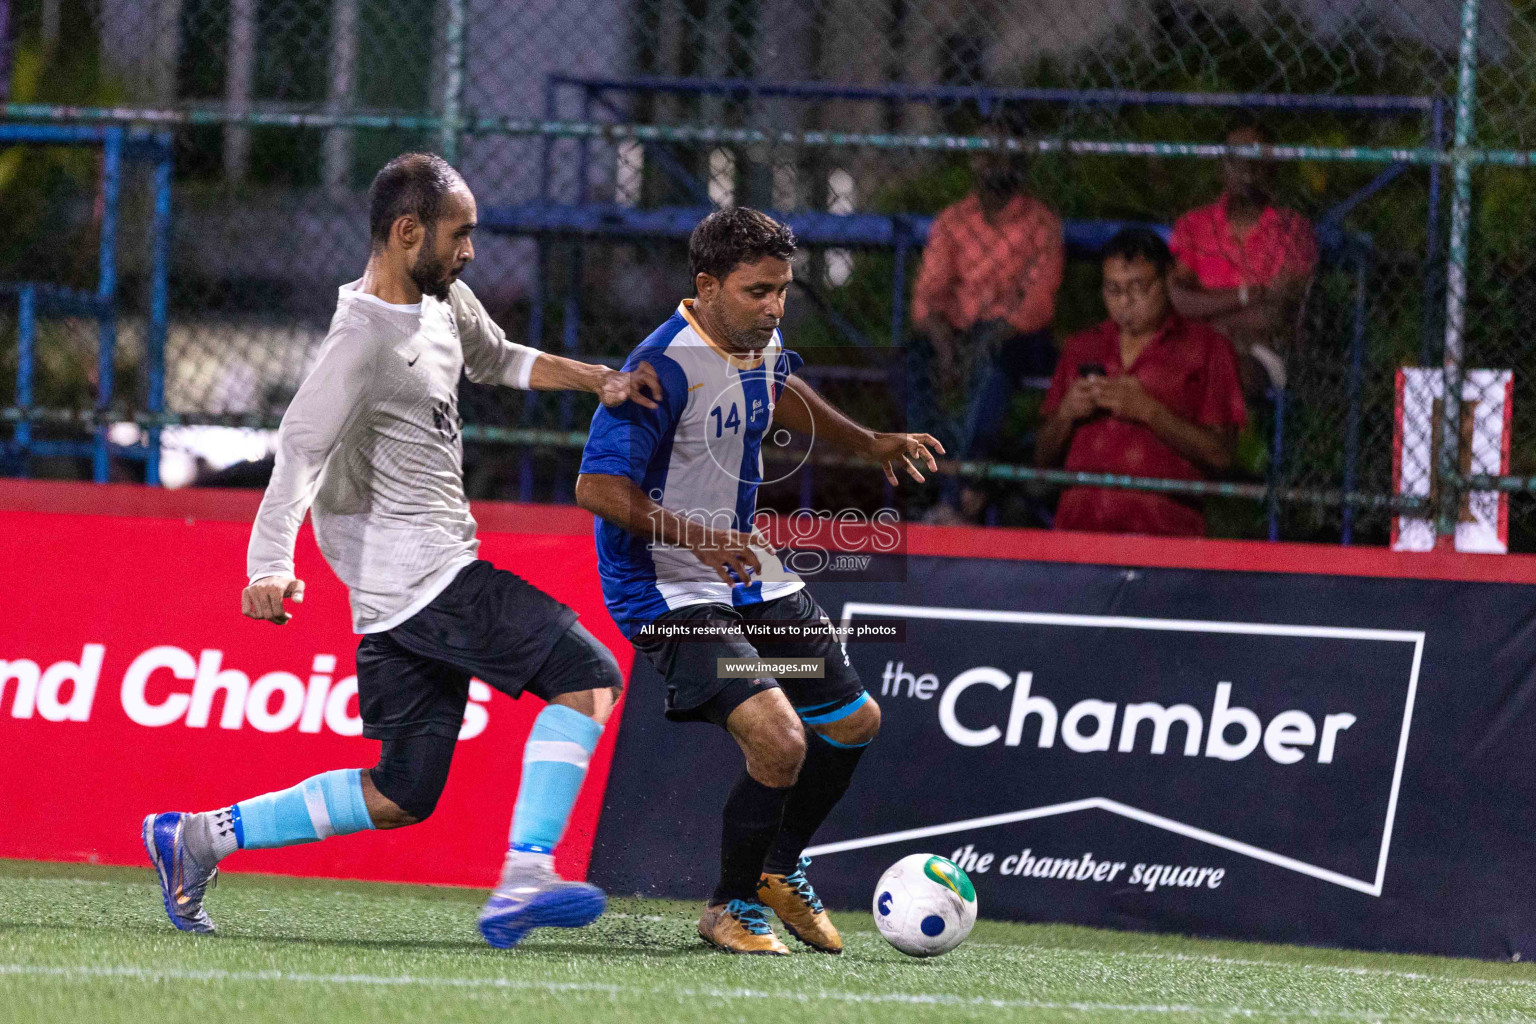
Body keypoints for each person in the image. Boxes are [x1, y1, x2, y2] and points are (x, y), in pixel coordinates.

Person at [142, 153, 663, 950]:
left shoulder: (443, 300)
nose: (472, 251)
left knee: (400, 794)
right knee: (591, 676)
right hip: (428, 579)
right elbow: (299, 451)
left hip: (402, 601)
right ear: (407, 231)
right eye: (461, 235)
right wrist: (267, 565)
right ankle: (526, 871)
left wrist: (598, 380)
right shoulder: (359, 341)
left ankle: (199, 837)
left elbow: (498, 358)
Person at [575, 207, 942, 955]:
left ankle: (777, 867)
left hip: (745, 572)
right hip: (668, 591)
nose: (774, 306)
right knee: (779, 741)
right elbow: (597, 491)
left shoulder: (757, 338)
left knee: (852, 721)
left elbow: (778, 387)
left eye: (783, 290)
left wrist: (869, 442)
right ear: (706, 285)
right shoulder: (656, 370)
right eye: (757, 291)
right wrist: (699, 540)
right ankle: (730, 906)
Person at [1036, 227, 1247, 537]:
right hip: (1080, 528)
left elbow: (1221, 455)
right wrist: (1066, 414)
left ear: (1168, 280)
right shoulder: (1083, 346)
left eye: (1138, 288)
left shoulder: (1208, 348)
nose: (1125, 302)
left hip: (1163, 533)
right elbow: (1040, 458)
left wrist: (1149, 412)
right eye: (1113, 290)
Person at [910, 132, 1064, 522]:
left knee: (993, 365)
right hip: (959, 332)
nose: (994, 165)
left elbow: (1038, 302)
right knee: (911, 364)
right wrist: (946, 345)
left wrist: (990, 338)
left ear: (1021, 164)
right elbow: (929, 295)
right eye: (985, 154)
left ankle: (959, 491)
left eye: (1004, 155)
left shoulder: (1040, 224)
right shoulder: (954, 220)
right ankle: (939, 471)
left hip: (1014, 337)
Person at [1169, 116, 1318, 396]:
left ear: (1273, 168)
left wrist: (1205, 316)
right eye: (1238, 157)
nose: (1248, 167)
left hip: (1258, 351)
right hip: (1191, 345)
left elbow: (1277, 314)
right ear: (1221, 168)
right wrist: (1249, 296)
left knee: (1227, 374)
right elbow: (1177, 301)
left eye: (1258, 158)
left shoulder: (1292, 229)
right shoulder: (1194, 224)